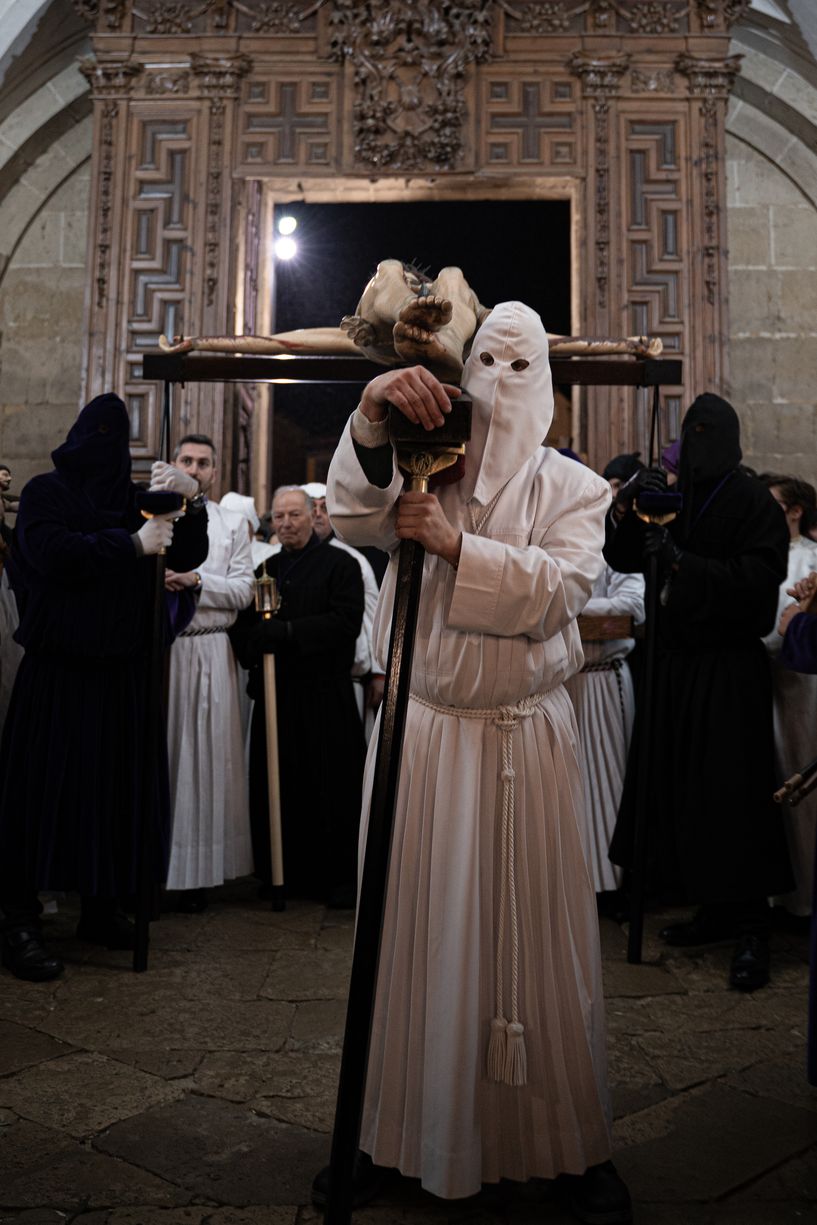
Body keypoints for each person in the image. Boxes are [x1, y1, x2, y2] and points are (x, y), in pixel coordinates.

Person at [321, 302, 630, 1223]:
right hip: (422, 736)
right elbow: (352, 511)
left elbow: (561, 590)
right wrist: (371, 412)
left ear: (547, 382)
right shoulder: (428, 460)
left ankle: (565, 1148)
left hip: (519, 739)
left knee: (539, 944)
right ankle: (392, 1134)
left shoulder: (575, 487)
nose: (500, 381)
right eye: (485, 360)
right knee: (406, 936)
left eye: (520, 364)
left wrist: (455, 544)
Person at [0, 394, 208, 981]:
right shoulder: (46, 493)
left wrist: (190, 503)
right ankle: (18, 922)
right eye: (94, 435)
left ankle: (101, 906)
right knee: (41, 797)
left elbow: (188, 550)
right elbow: (50, 552)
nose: (101, 448)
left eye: (112, 438)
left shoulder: (135, 499)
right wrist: (130, 544)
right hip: (60, 673)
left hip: (122, 673)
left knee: (114, 797)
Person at [605, 393, 792, 992]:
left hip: (729, 670)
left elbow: (758, 582)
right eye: (691, 432)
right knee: (682, 790)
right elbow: (622, 556)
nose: (697, 443)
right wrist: (629, 507)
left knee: (732, 795)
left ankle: (752, 926)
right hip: (675, 665)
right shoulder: (675, 496)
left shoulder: (754, 503)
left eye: (707, 432)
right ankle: (711, 907)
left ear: (729, 438)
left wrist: (683, 561)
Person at [230, 486, 366, 908]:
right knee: (280, 785)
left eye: (294, 515)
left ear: (312, 516)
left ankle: (336, 877)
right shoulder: (265, 570)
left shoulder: (341, 566)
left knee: (329, 786)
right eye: (279, 517)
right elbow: (243, 627)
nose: (286, 524)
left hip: (324, 696)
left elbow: (345, 623)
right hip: (279, 695)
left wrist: (289, 632)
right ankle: (281, 871)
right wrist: (255, 643)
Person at [163, 436, 255, 912]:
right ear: (173, 464)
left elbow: (243, 590)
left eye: (203, 463)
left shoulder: (231, 523)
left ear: (215, 473)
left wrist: (197, 580)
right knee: (163, 758)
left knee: (205, 761)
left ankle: (197, 875)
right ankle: (154, 869)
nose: (195, 469)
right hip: (164, 652)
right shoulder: (154, 513)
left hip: (212, 648)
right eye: (187, 460)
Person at [761, 475, 817, 921]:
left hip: (801, 688)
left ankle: (804, 897)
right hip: (766, 685)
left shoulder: (811, 558)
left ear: (795, 512)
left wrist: (798, 616)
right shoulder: (763, 553)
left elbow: (786, 627)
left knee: (801, 786)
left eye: (773, 505)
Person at [302, 481, 384, 731]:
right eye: (312, 508)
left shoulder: (353, 561)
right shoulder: (281, 558)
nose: (318, 515)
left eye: (324, 508)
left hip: (346, 677)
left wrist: (378, 672)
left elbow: (373, 617)